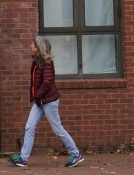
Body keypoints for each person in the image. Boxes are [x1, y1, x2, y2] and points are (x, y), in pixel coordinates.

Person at [8, 36, 84, 169]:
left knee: (57, 129)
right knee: (29, 127)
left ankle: (76, 154)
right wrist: (37, 98)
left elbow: (47, 82)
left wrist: (37, 96)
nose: (31, 45)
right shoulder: (37, 61)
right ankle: (23, 159)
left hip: (49, 101)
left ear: (38, 47)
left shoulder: (46, 62)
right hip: (40, 101)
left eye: (33, 44)